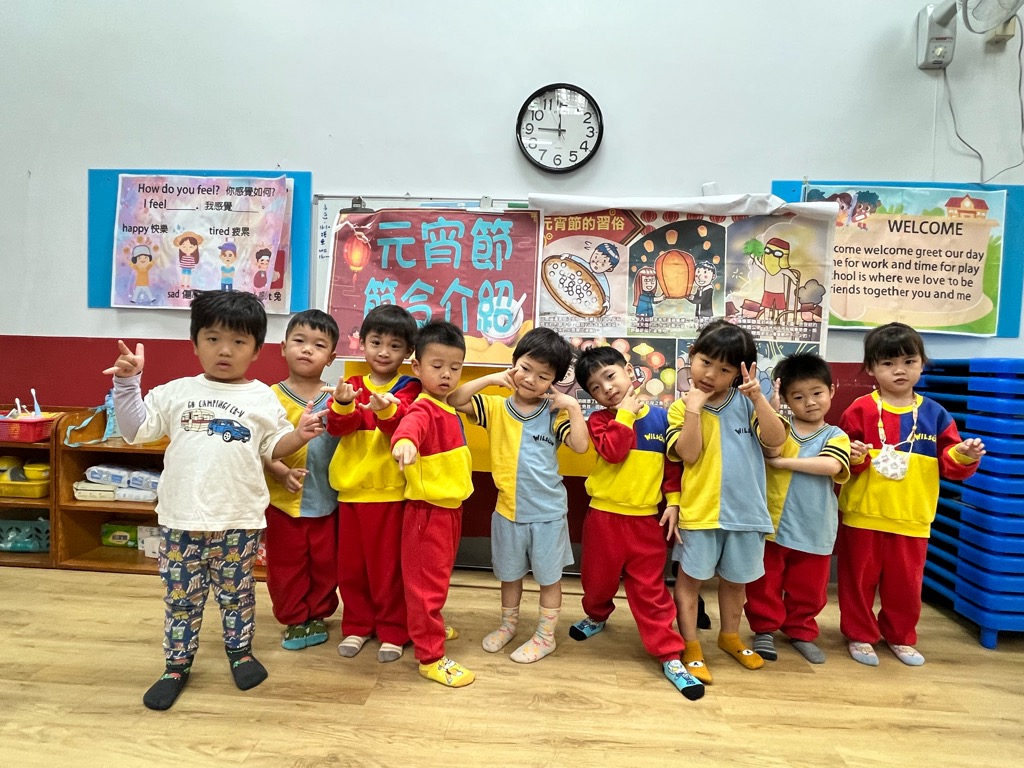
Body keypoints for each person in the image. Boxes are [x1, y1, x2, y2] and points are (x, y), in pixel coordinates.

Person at [104, 290, 325, 711]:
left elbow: (274, 446)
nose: (225, 350)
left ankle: (240, 653)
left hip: (239, 519)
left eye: (239, 341)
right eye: (212, 338)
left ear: (256, 350)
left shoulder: (262, 396)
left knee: (237, 593)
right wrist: (127, 383)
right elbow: (134, 430)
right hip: (181, 519)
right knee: (181, 599)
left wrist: (301, 434)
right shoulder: (176, 391)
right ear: (195, 343)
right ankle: (176, 665)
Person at [837, 322, 984, 666]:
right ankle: (860, 634)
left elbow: (950, 464)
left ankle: (900, 636)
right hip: (863, 515)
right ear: (871, 368)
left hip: (913, 517)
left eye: (908, 361)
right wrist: (854, 456)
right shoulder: (859, 410)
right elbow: (840, 463)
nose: (899, 370)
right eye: (888, 363)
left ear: (922, 363)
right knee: (857, 581)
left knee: (905, 585)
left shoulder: (936, 414)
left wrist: (966, 454)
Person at [568, 345, 705, 701]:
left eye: (610, 376)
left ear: (629, 371)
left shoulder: (662, 418)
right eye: (595, 387)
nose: (606, 388)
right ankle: (597, 615)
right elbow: (614, 452)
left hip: (646, 523)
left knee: (650, 591)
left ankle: (669, 655)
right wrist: (625, 417)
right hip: (604, 519)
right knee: (597, 582)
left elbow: (673, 467)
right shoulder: (600, 421)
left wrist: (673, 501)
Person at [447, 328, 589, 663]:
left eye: (543, 376)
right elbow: (455, 399)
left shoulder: (554, 413)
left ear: (554, 381)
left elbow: (581, 446)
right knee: (509, 575)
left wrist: (573, 406)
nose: (530, 380)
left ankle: (545, 636)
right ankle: (508, 625)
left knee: (549, 579)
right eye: (525, 368)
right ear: (514, 363)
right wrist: (491, 379)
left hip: (548, 515)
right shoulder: (495, 407)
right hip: (507, 511)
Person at [666, 320, 787, 685]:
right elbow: (688, 454)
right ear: (692, 356)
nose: (711, 374)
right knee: (690, 581)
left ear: (738, 373)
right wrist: (693, 409)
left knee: (736, 582)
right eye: (705, 362)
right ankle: (690, 644)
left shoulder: (747, 403)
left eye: (724, 370)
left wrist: (759, 398)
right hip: (700, 513)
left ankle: (730, 636)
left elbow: (776, 441)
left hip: (746, 513)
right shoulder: (679, 408)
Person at [323, 304, 420, 663]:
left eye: (395, 346)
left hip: (390, 492)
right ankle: (357, 625)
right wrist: (342, 405)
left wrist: (383, 409)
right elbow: (339, 429)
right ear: (361, 343)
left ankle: (394, 630)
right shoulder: (350, 385)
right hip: (350, 492)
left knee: (388, 569)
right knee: (351, 568)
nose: (383, 352)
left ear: (408, 352)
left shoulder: (410, 387)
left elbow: (401, 427)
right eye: (376, 342)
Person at [743, 353, 851, 664]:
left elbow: (831, 465)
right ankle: (764, 628)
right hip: (773, 525)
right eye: (798, 397)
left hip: (814, 527)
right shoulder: (782, 427)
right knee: (764, 582)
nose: (810, 402)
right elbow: (771, 447)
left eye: (817, 393)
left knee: (810, 587)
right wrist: (772, 411)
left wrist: (784, 463)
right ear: (788, 400)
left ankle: (801, 631)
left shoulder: (835, 434)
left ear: (831, 390)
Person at [390, 320, 475, 687]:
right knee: (426, 585)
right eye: (437, 366)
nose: (446, 374)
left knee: (436, 579)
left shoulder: (446, 406)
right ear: (417, 367)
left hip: (450, 509)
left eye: (455, 367)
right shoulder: (422, 407)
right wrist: (404, 444)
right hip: (428, 512)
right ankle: (430, 656)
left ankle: (429, 627)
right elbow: (408, 429)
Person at [263, 309, 342, 652]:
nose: (307, 349)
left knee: (326, 565)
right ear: (283, 348)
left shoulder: (337, 399)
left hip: (329, 501)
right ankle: (294, 618)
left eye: (319, 345)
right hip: (283, 503)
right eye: (299, 341)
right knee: (286, 567)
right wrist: (281, 471)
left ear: (331, 357)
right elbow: (258, 446)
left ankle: (319, 614)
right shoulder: (268, 397)